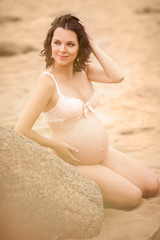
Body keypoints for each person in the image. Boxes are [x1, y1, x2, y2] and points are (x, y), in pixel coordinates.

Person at [14, 14, 159, 209]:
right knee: (133, 197)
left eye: (70, 44)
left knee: (152, 186)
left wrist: (91, 43)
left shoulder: (84, 71)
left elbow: (118, 76)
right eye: (57, 42)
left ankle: (105, 177)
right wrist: (55, 145)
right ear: (49, 44)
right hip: (75, 163)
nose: (62, 50)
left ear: (80, 46)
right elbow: (21, 129)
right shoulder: (48, 82)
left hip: (104, 154)